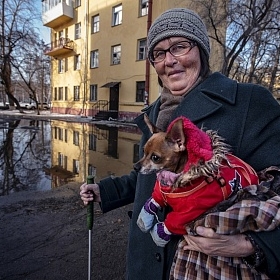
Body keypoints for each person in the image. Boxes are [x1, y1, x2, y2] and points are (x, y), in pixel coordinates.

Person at [80, 8, 280, 280]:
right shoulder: (153, 114)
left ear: (200, 51)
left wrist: (252, 246)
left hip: (208, 269)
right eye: (159, 53)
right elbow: (148, 177)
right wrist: (105, 191)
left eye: (179, 46)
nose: (169, 60)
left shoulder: (249, 103)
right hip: (142, 267)